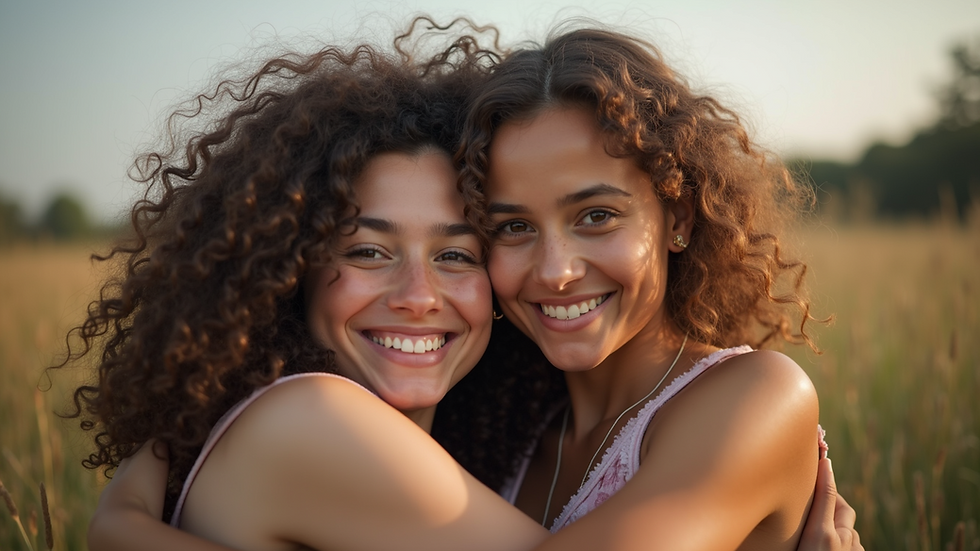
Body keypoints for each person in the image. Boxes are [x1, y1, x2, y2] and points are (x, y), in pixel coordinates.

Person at [78, 21, 861, 551]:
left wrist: (124, 524)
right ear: (290, 263)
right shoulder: (492, 432)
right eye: (513, 227)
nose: (554, 270)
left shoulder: (755, 396)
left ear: (680, 217)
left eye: (595, 215)